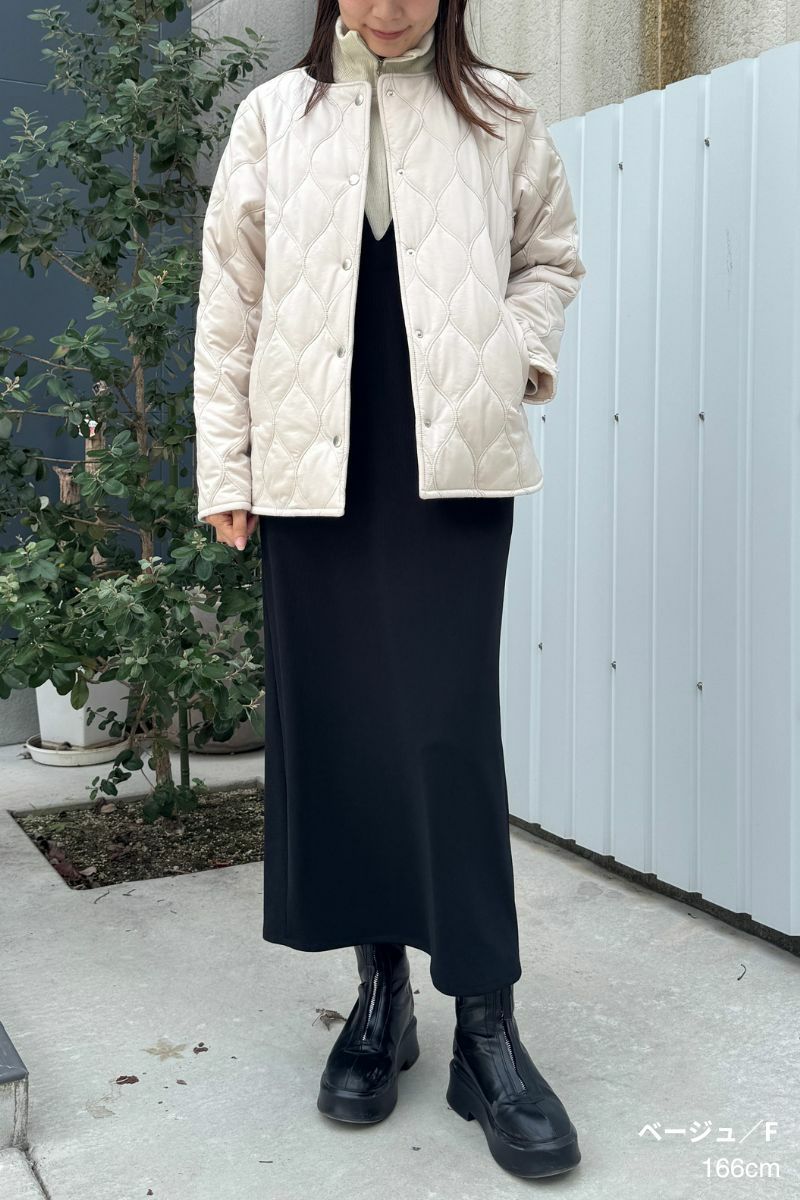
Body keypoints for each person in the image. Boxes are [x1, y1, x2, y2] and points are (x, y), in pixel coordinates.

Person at [193, 0, 586, 1179]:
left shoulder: (499, 111)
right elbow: (230, 297)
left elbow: (548, 256)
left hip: (449, 459)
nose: (387, 5)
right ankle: (380, 999)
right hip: (310, 462)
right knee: (344, 731)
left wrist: (508, 354)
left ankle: (485, 1025)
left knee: (445, 735)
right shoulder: (275, 115)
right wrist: (228, 465)